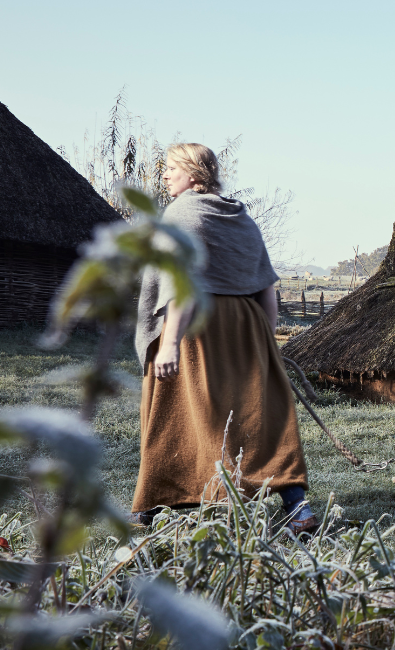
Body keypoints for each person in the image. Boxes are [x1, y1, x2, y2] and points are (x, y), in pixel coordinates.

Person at [130, 143, 316, 534]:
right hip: (247, 325)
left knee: (174, 414)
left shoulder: (180, 214)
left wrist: (167, 343)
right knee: (261, 412)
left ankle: (146, 510)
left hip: (196, 326)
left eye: (171, 169)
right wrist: (266, 340)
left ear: (194, 175)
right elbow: (267, 286)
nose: (165, 175)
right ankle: (298, 507)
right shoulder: (242, 219)